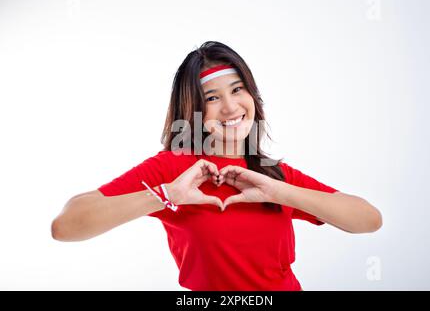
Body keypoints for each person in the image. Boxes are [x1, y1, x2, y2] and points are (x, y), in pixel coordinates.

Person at [51, 41, 383, 291]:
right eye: (211, 98)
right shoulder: (173, 166)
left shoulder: (271, 172)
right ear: (192, 107)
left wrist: (280, 192)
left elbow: (369, 220)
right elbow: (66, 226)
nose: (229, 107)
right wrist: (167, 195)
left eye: (237, 90)